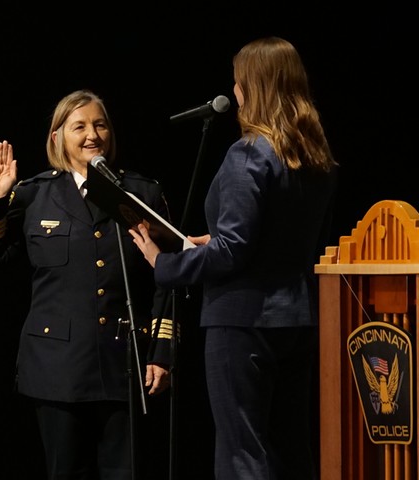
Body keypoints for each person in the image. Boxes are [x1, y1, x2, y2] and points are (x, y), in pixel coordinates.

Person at [130, 37, 338, 479]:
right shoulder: (313, 156)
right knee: (288, 448)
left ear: (252, 87)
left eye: (239, 81)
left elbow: (233, 253)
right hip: (297, 319)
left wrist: (161, 263)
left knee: (242, 451)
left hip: (244, 321)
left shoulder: (249, 153)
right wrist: (215, 239)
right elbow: (278, 239)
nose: (235, 89)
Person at [0, 89, 174, 480]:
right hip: (56, 369)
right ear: (57, 137)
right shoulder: (34, 194)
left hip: (125, 366)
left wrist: (162, 352)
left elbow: (169, 276)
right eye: (79, 126)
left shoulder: (142, 192)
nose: (92, 134)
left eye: (99, 125)